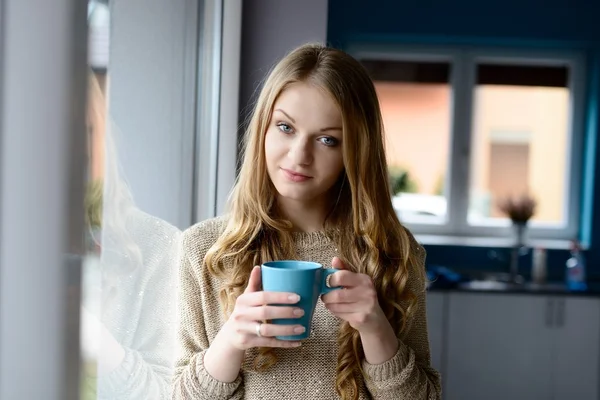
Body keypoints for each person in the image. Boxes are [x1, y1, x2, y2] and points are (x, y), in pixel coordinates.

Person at [172, 43, 441, 400]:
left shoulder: (393, 251)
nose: (299, 156)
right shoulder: (203, 250)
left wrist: (375, 328)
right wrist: (231, 339)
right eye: (285, 127)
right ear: (263, 129)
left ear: (354, 152)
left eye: (328, 140)